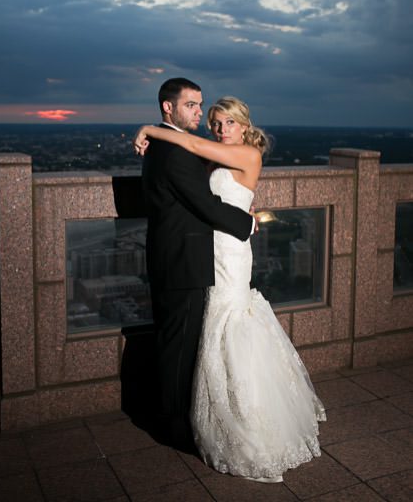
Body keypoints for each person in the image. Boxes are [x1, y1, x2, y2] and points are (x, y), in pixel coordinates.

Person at [135, 95, 326, 482]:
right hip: (209, 248)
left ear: (244, 125)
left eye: (229, 123)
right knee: (212, 324)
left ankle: (250, 423)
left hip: (231, 251)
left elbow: (187, 143)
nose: (222, 130)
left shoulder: (246, 155)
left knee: (230, 321)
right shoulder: (216, 155)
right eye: (216, 123)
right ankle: (217, 416)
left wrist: (148, 129)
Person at [138, 78, 255, 455]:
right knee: (180, 345)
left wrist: (148, 130)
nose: (201, 115)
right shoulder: (174, 150)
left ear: (244, 126)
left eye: (200, 106)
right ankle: (173, 425)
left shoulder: (168, 145)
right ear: (168, 107)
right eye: (192, 105)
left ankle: (199, 412)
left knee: (188, 340)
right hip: (188, 260)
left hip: (197, 256)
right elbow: (206, 205)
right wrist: (248, 224)